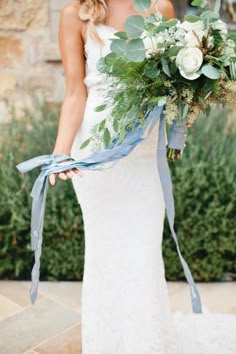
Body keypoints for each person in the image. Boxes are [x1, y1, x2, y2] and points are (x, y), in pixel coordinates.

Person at [48, 1, 236, 353]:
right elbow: (75, 92)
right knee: (104, 254)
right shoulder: (75, 12)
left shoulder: (159, 7)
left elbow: (170, 86)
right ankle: (105, 343)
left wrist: (185, 108)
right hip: (96, 151)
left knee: (144, 252)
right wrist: (60, 152)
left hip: (143, 151)